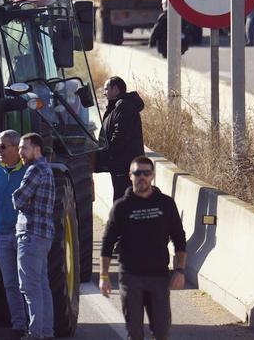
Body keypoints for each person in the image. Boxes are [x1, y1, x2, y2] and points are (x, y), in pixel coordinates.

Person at [100, 155, 187, 340]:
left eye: (146, 173)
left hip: (159, 276)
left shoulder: (165, 203)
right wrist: (104, 276)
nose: (142, 177)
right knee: (135, 332)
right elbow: (107, 243)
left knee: (162, 331)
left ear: (152, 176)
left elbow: (179, 238)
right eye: (137, 173)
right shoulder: (121, 207)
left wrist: (180, 270)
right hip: (131, 278)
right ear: (130, 176)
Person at [0, 130, 29, 338]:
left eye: (3, 146)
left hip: (23, 234)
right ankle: (18, 325)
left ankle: (34, 323)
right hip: (2, 234)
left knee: (27, 282)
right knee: (10, 283)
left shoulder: (28, 171)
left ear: (15, 148)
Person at [13, 132, 54, 340]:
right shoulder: (47, 169)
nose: (20, 152)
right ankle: (46, 331)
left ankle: (35, 333)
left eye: (24, 148)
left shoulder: (34, 170)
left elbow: (18, 200)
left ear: (36, 149)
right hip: (43, 236)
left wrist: (21, 200)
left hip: (30, 235)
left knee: (30, 287)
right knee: (42, 285)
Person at [97, 76, 145, 201]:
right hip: (120, 164)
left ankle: (121, 221)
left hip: (124, 165)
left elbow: (120, 135)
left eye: (106, 89)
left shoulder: (124, 106)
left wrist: (110, 154)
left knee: (123, 200)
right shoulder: (117, 106)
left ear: (116, 89)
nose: (104, 92)